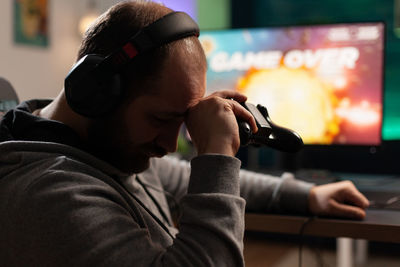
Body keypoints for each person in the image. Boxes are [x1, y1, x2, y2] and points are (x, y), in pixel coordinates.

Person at [0, 1, 369, 266]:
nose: (166, 145)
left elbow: (171, 175)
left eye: (181, 119)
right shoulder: (50, 194)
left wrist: (308, 195)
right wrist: (217, 154)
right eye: (162, 118)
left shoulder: (101, 147)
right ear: (96, 93)